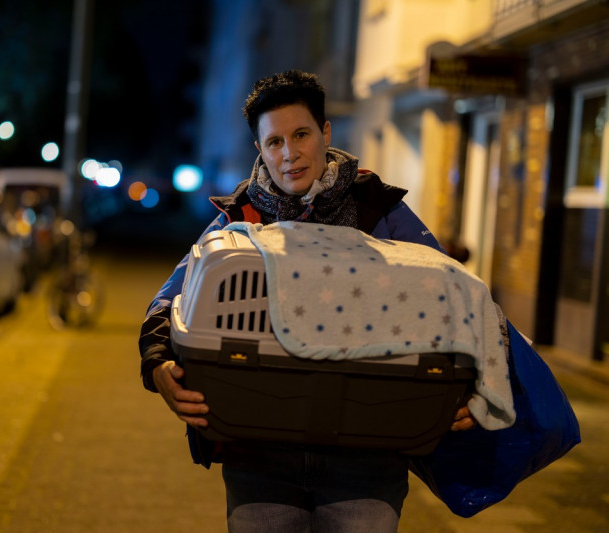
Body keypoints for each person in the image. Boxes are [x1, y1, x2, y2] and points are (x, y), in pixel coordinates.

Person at [138, 70, 475, 532]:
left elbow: (459, 298)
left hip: (367, 459)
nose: (289, 153)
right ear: (260, 150)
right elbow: (167, 302)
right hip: (259, 457)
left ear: (325, 133)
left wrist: (476, 388)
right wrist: (159, 369)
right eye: (274, 142)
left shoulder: (380, 210)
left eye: (301, 135)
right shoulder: (240, 220)